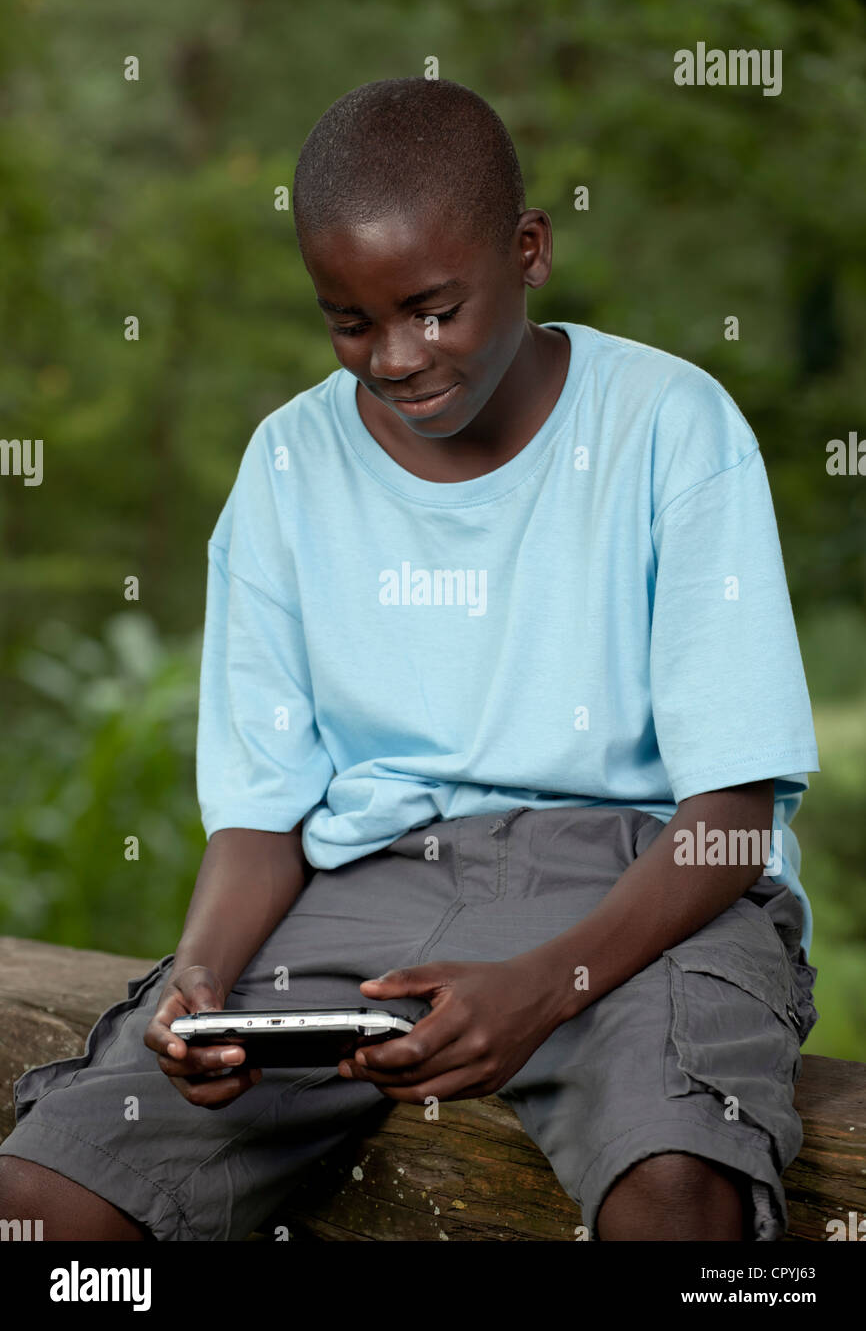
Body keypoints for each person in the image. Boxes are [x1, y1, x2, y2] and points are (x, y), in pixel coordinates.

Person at [0, 76, 820, 1242]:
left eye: (432, 308)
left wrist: (547, 987)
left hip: (640, 894)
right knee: (45, 1198)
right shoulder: (288, 465)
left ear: (527, 250)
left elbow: (732, 812)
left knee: (675, 1189)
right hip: (366, 897)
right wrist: (201, 980)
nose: (393, 356)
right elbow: (260, 815)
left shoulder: (668, 427)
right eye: (349, 320)